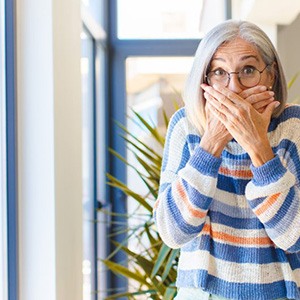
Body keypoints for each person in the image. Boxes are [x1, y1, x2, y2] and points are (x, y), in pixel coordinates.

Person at [153, 19, 300, 300]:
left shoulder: (293, 127)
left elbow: (294, 236)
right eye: (219, 72)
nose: (233, 87)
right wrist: (211, 143)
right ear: (204, 80)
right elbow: (172, 233)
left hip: (279, 293)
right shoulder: (186, 126)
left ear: (270, 75)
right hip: (200, 293)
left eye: (248, 70)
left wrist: (258, 146)